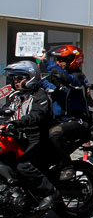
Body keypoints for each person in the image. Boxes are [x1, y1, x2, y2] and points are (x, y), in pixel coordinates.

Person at [1, 61, 57, 210]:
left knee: (24, 166)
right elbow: (5, 111)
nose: (16, 81)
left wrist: (15, 123)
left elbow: (36, 116)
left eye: (19, 78)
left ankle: (49, 192)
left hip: (37, 138)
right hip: (19, 137)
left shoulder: (40, 96)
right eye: (14, 78)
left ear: (30, 77)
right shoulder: (15, 97)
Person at [45, 45, 93, 165]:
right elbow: (48, 85)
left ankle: (66, 166)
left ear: (72, 60)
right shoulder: (56, 77)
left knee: (54, 134)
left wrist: (47, 62)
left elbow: (66, 78)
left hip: (77, 120)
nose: (58, 62)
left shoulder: (77, 76)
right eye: (57, 60)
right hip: (58, 119)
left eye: (62, 60)